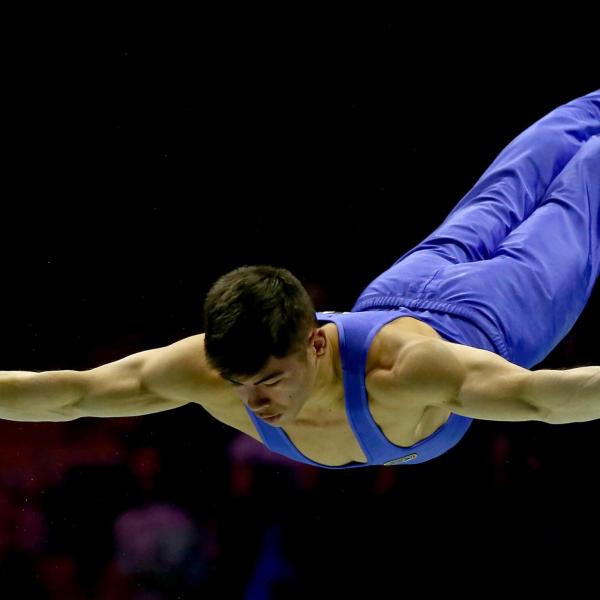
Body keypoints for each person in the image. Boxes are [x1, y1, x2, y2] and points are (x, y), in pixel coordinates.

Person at [1, 90, 598, 469]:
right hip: (400, 289)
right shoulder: (211, 371)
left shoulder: (403, 374)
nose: (255, 402)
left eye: (268, 380)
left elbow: (539, 400)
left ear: (316, 343)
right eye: (239, 382)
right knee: (510, 184)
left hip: (497, 316)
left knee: (579, 194)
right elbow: (73, 394)